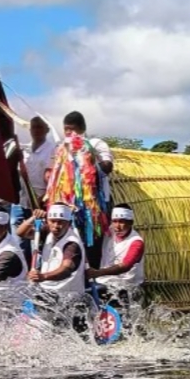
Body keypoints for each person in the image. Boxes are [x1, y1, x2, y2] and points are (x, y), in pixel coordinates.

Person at [59, 111, 113, 269]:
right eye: (66, 129)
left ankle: (95, 279)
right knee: (72, 243)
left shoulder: (96, 144)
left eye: (72, 129)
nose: (69, 133)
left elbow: (107, 168)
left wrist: (89, 157)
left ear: (82, 128)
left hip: (95, 207)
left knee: (93, 246)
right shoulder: (63, 149)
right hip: (70, 206)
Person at [18, 203, 86, 300]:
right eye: (52, 221)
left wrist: (43, 276)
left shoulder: (72, 244)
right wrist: (33, 217)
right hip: (47, 291)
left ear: (69, 224)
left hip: (67, 297)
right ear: (47, 221)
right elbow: (21, 232)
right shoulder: (48, 232)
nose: (56, 226)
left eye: (60, 222)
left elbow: (66, 269)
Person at [87, 203, 145, 305]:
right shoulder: (109, 230)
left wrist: (99, 272)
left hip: (126, 288)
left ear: (130, 222)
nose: (117, 226)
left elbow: (124, 266)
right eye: (114, 221)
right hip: (103, 283)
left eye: (122, 222)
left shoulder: (136, 242)